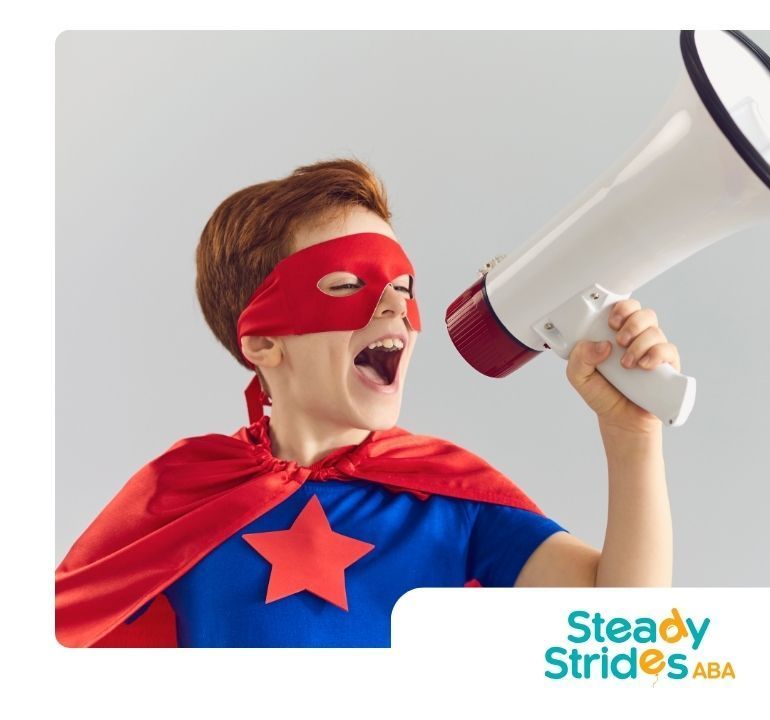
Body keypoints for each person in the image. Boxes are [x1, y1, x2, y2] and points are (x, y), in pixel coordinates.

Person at [55, 159, 677, 647]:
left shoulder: (451, 499)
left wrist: (633, 438)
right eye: (346, 285)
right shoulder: (181, 492)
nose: (393, 310)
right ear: (264, 341)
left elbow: (628, 625)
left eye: (402, 288)